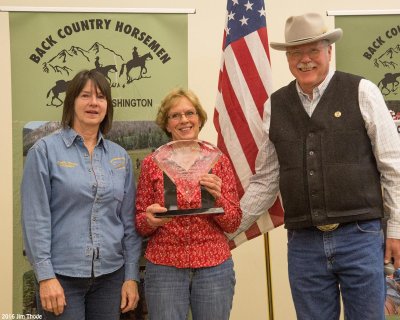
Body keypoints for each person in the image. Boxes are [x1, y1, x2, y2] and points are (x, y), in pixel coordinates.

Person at [235, 12, 400, 320]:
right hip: (304, 243)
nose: (305, 59)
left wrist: (397, 230)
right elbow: (266, 180)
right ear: (287, 58)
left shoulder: (363, 91)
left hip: (360, 237)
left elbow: (394, 168)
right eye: (296, 52)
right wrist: (227, 229)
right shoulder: (275, 105)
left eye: (313, 50)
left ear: (329, 51)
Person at [21, 70, 142, 319]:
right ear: (71, 102)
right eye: (85, 95)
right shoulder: (44, 152)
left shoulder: (120, 157)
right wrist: (46, 277)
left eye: (100, 96)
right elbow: (35, 220)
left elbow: (129, 223)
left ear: (107, 105)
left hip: (111, 278)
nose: (93, 103)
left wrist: (130, 276)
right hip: (62, 279)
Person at [135, 88, 242, 320]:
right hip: (165, 266)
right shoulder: (152, 163)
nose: (184, 120)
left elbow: (233, 221)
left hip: (214, 266)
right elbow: (140, 222)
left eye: (190, 113)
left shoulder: (218, 159)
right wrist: (149, 220)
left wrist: (219, 198)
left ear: (199, 118)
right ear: (166, 123)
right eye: (175, 115)